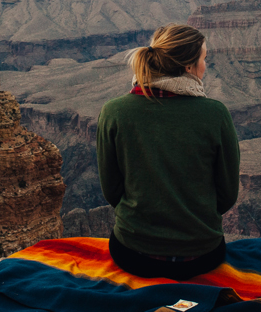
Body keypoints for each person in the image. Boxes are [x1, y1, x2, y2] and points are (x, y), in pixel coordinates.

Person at [96, 23, 240, 280]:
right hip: (201, 256)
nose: (205, 66)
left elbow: (112, 190)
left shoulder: (114, 112)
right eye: (204, 59)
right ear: (188, 66)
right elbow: (227, 195)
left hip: (133, 254)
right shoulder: (216, 114)